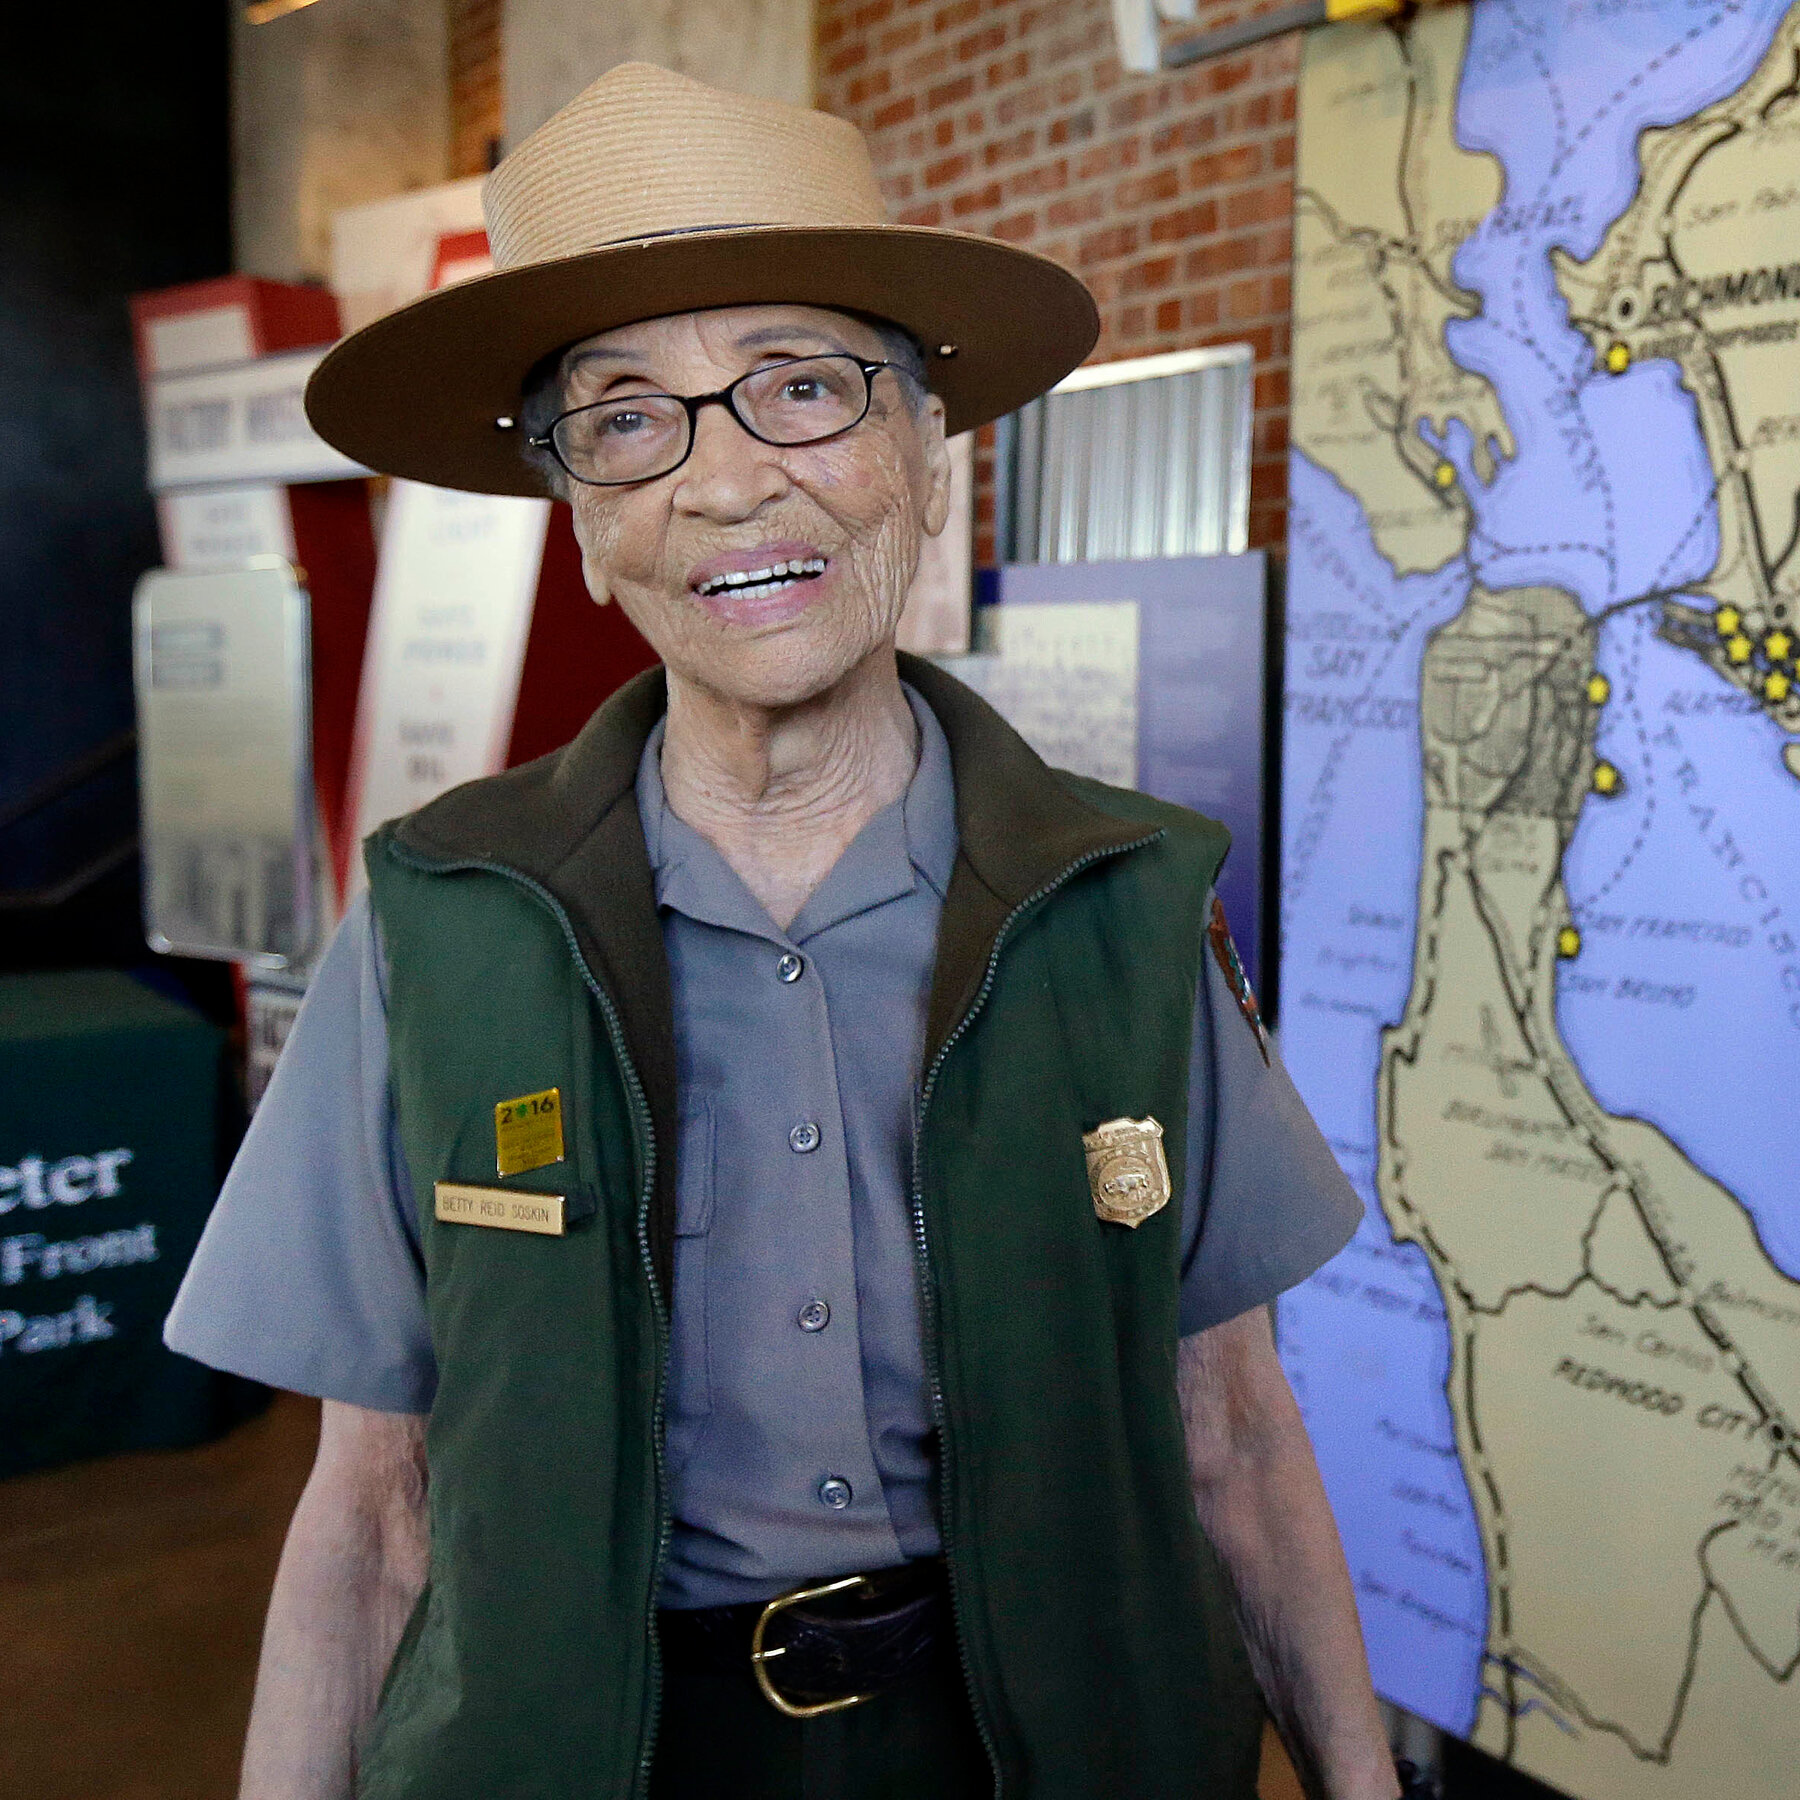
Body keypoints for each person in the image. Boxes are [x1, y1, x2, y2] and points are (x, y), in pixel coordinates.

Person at [167, 61, 1408, 1800]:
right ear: (584, 524)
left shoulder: (1122, 908)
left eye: (803, 390)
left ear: (919, 453)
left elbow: (1237, 1438)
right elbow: (370, 1513)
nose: (728, 483)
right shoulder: (444, 929)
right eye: (626, 419)